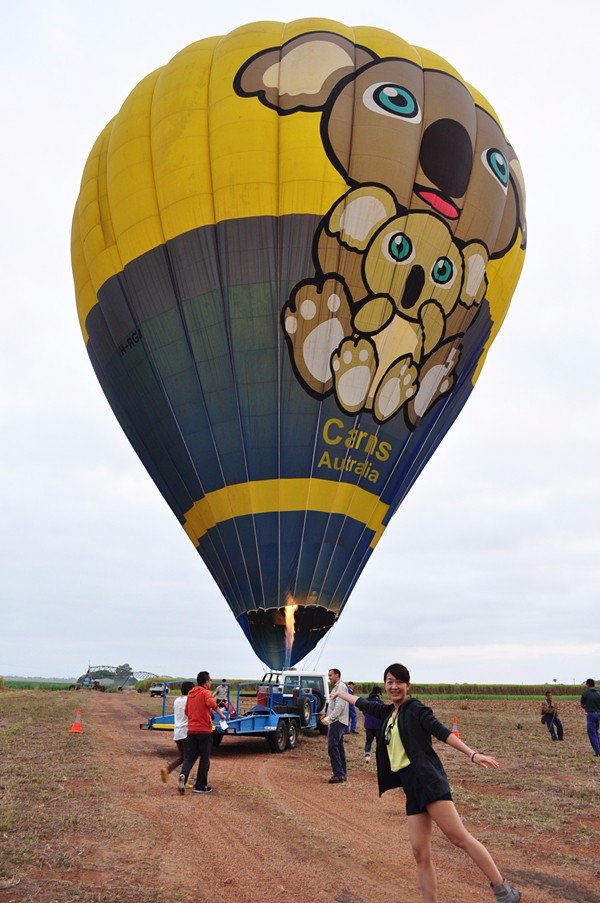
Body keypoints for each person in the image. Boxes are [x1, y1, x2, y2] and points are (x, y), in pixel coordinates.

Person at [330, 663, 521, 903]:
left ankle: (503, 890)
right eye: (389, 681)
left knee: (459, 837)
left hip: (429, 782)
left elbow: (442, 732)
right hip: (412, 788)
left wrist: (472, 754)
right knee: (420, 853)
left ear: (408, 685)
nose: (394, 686)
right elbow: (361, 702)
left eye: (399, 681)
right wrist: (340, 693)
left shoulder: (416, 709)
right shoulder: (388, 713)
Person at [178, 671, 224, 794]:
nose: (210, 683)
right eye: (210, 681)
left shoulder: (191, 693)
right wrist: (221, 715)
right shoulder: (205, 693)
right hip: (204, 731)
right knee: (204, 758)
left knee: (191, 756)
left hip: (191, 730)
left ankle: (183, 774)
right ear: (206, 681)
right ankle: (200, 786)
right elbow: (212, 704)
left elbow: (187, 711)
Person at [161, 680, 194, 783]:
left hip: (177, 731)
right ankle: (183, 781)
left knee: (183, 757)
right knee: (188, 759)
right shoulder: (189, 700)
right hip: (186, 731)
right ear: (190, 690)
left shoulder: (177, 700)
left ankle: (167, 770)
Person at [326, 668, 349, 783]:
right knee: (339, 748)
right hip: (337, 721)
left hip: (337, 721)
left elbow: (340, 706)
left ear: (337, 675)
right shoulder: (338, 687)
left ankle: (338, 773)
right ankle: (342, 773)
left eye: (330, 675)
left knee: (332, 747)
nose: (329, 677)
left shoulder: (341, 687)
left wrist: (330, 718)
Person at [580, 678, 600, 756]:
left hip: (591, 715)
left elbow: (582, 704)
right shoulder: (598, 694)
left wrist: (586, 708)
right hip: (598, 714)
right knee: (596, 732)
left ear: (588, 685)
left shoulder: (585, 693)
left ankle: (597, 752)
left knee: (591, 733)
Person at [363, 685, 383, 762]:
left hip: (368, 724)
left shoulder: (367, 700)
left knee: (368, 741)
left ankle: (367, 755)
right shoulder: (380, 702)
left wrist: (367, 717)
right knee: (379, 741)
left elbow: (364, 710)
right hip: (378, 725)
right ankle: (379, 756)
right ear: (378, 693)